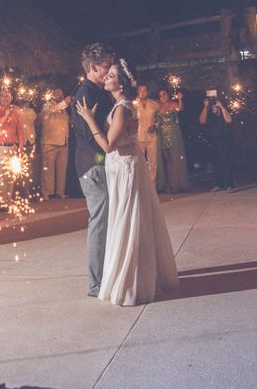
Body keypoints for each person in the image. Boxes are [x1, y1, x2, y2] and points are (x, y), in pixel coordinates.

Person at [76, 61, 179, 306]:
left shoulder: (122, 108)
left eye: (111, 75)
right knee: (127, 219)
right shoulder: (120, 105)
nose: (106, 78)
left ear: (120, 83)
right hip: (120, 167)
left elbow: (108, 145)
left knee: (128, 220)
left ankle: (131, 279)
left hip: (125, 169)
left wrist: (89, 120)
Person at [71, 43, 114, 298]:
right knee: (99, 221)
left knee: (106, 220)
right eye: (106, 66)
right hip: (93, 166)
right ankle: (96, 282)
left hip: (102, 164)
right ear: (94, 66)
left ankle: (107, 273)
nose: (109, 71)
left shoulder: (100, 91)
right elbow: (89, 138)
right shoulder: (85, 94)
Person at [0, 88, 25, 211]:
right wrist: (5, 116)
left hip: (12, 146)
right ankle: (3, 203)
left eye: (8, 95)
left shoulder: (16, 112)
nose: (6, 98)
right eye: (3, 95)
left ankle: (9, 201)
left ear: (11, 98)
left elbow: (19, 130)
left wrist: (20, 147)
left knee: (11, 175)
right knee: (3, 175)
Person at [156, 88, 190, 193]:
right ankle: (168, 184)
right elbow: (155, 120)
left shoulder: (173, 104)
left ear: (168, 95)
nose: (163, 97)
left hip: (173, 133)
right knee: (166, 160)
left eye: (164, 94)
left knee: (174, 158)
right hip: (161, 134)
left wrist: (180, 99)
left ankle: (175, 184)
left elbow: (180, 108)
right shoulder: (158, 106)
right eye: (161, 95)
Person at [40, 87, 71, 199]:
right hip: (50, 142)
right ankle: (47, 192)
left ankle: (60, 191)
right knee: (48, 169)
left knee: (62, 169)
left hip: (63, 142)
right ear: (52, 95)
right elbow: (53, 109)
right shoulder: (48, 105)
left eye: (62, 94)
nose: (60, 95)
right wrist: (65, 102)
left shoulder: (65, 110)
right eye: (57, 93)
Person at [199, 96, 234, 193]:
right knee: (216, 163)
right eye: (212, 106)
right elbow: (202, 121)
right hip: (213, 141)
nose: (214, 107)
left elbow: (229, 120)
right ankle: (219, 184)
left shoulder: (223, 112)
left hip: (224, 141)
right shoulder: (209, 113)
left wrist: (221, 106)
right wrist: (205, 107)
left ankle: (229, 185)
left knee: (226, 162)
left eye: (215, 105)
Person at [135, 83, 159, 182]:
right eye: (140, 91)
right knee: (139, 161)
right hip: (138, 136)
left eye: (144, 90)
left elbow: (159, 118)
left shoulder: (154, 104)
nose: (142, 93)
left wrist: (155, 126)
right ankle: (140, 184)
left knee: (153, 162)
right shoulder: (133, 104)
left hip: (151, 136)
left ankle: (152, 185)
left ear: (147, 91)